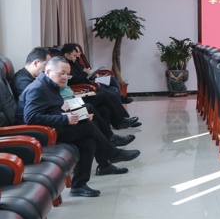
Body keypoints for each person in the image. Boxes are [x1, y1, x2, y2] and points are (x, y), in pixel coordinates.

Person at [18, 57, 140, 197]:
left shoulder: (51, 85)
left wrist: (79, 115)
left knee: (88, 140)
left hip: (51, 127)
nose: (65, 77)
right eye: (61, 73)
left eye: (67, 74)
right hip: (40, 134)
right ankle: (113, 154)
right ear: (48, 71)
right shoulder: (38, 89)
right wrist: (65, 118)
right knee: (87, 126)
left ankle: (79, 185)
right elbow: (31, 118)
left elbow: (51, 110)